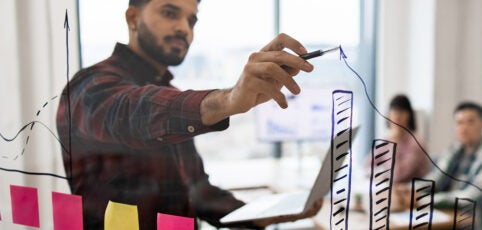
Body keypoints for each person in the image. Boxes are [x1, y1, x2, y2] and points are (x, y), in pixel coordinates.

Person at [56, 0, 321, 229]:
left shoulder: (170, 93)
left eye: (191, 20)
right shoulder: (90, 86)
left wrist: (262, 215)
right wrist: (228, 99)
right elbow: (133, 111)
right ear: (133, 18)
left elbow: (198, 193)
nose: (184, 28)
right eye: (170, 13)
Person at [423, 102, 482, 229]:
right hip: (453, 222)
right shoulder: (455, 151)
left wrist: (424, 200)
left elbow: (470, 197)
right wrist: (409, 191)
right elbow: (436, 178)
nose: (464, 128)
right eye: (459, 123)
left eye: (470, 122)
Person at [366, 94, 430, 183]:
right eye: (394, 112)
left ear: (409, 116)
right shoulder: (387, 140)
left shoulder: (416, 143)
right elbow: (367, 166)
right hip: (394, 190)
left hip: (412, 192)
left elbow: (397, 177)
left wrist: (394, 144)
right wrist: (383, 176)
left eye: (401, 112)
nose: (397, 116)